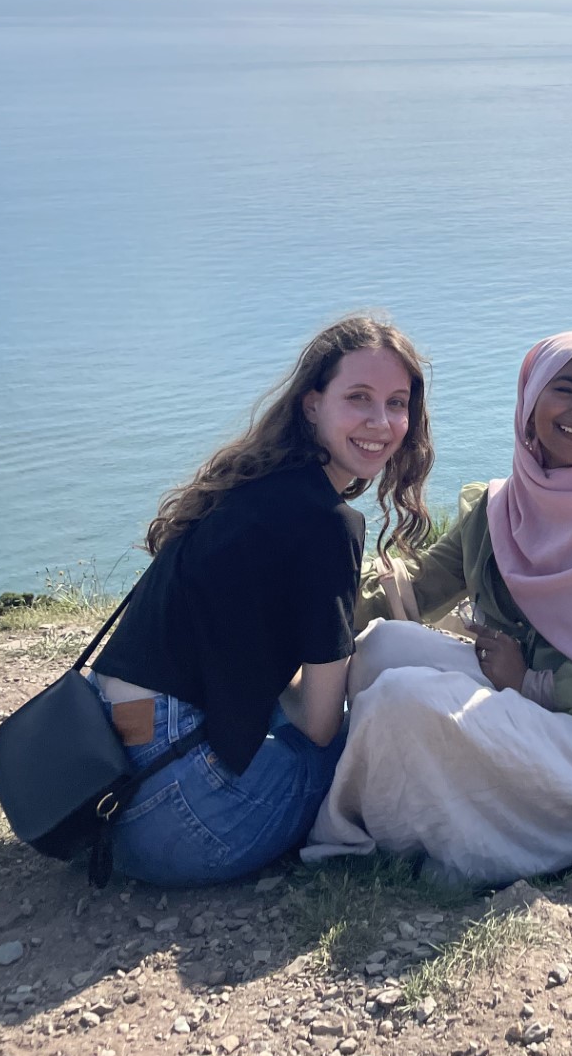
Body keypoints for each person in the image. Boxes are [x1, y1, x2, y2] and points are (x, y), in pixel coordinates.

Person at [302, 331, 572, 885]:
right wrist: (291, 617)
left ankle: (351, 841)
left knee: (401, 701)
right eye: (565, 390)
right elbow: (420, 586)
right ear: (529, 400)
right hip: (532, 707)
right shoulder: (504, 505)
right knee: (379, 648)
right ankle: (323, 776)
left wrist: (530, 683)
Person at [88, 314, 432, 886]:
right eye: (359, 398)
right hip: (187, 819)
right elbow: (319, 725)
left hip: (106, 783)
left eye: (397, 403)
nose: (382, 422)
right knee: (367, 735)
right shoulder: (328, 524)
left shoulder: (243, 484)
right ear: (312, 405)